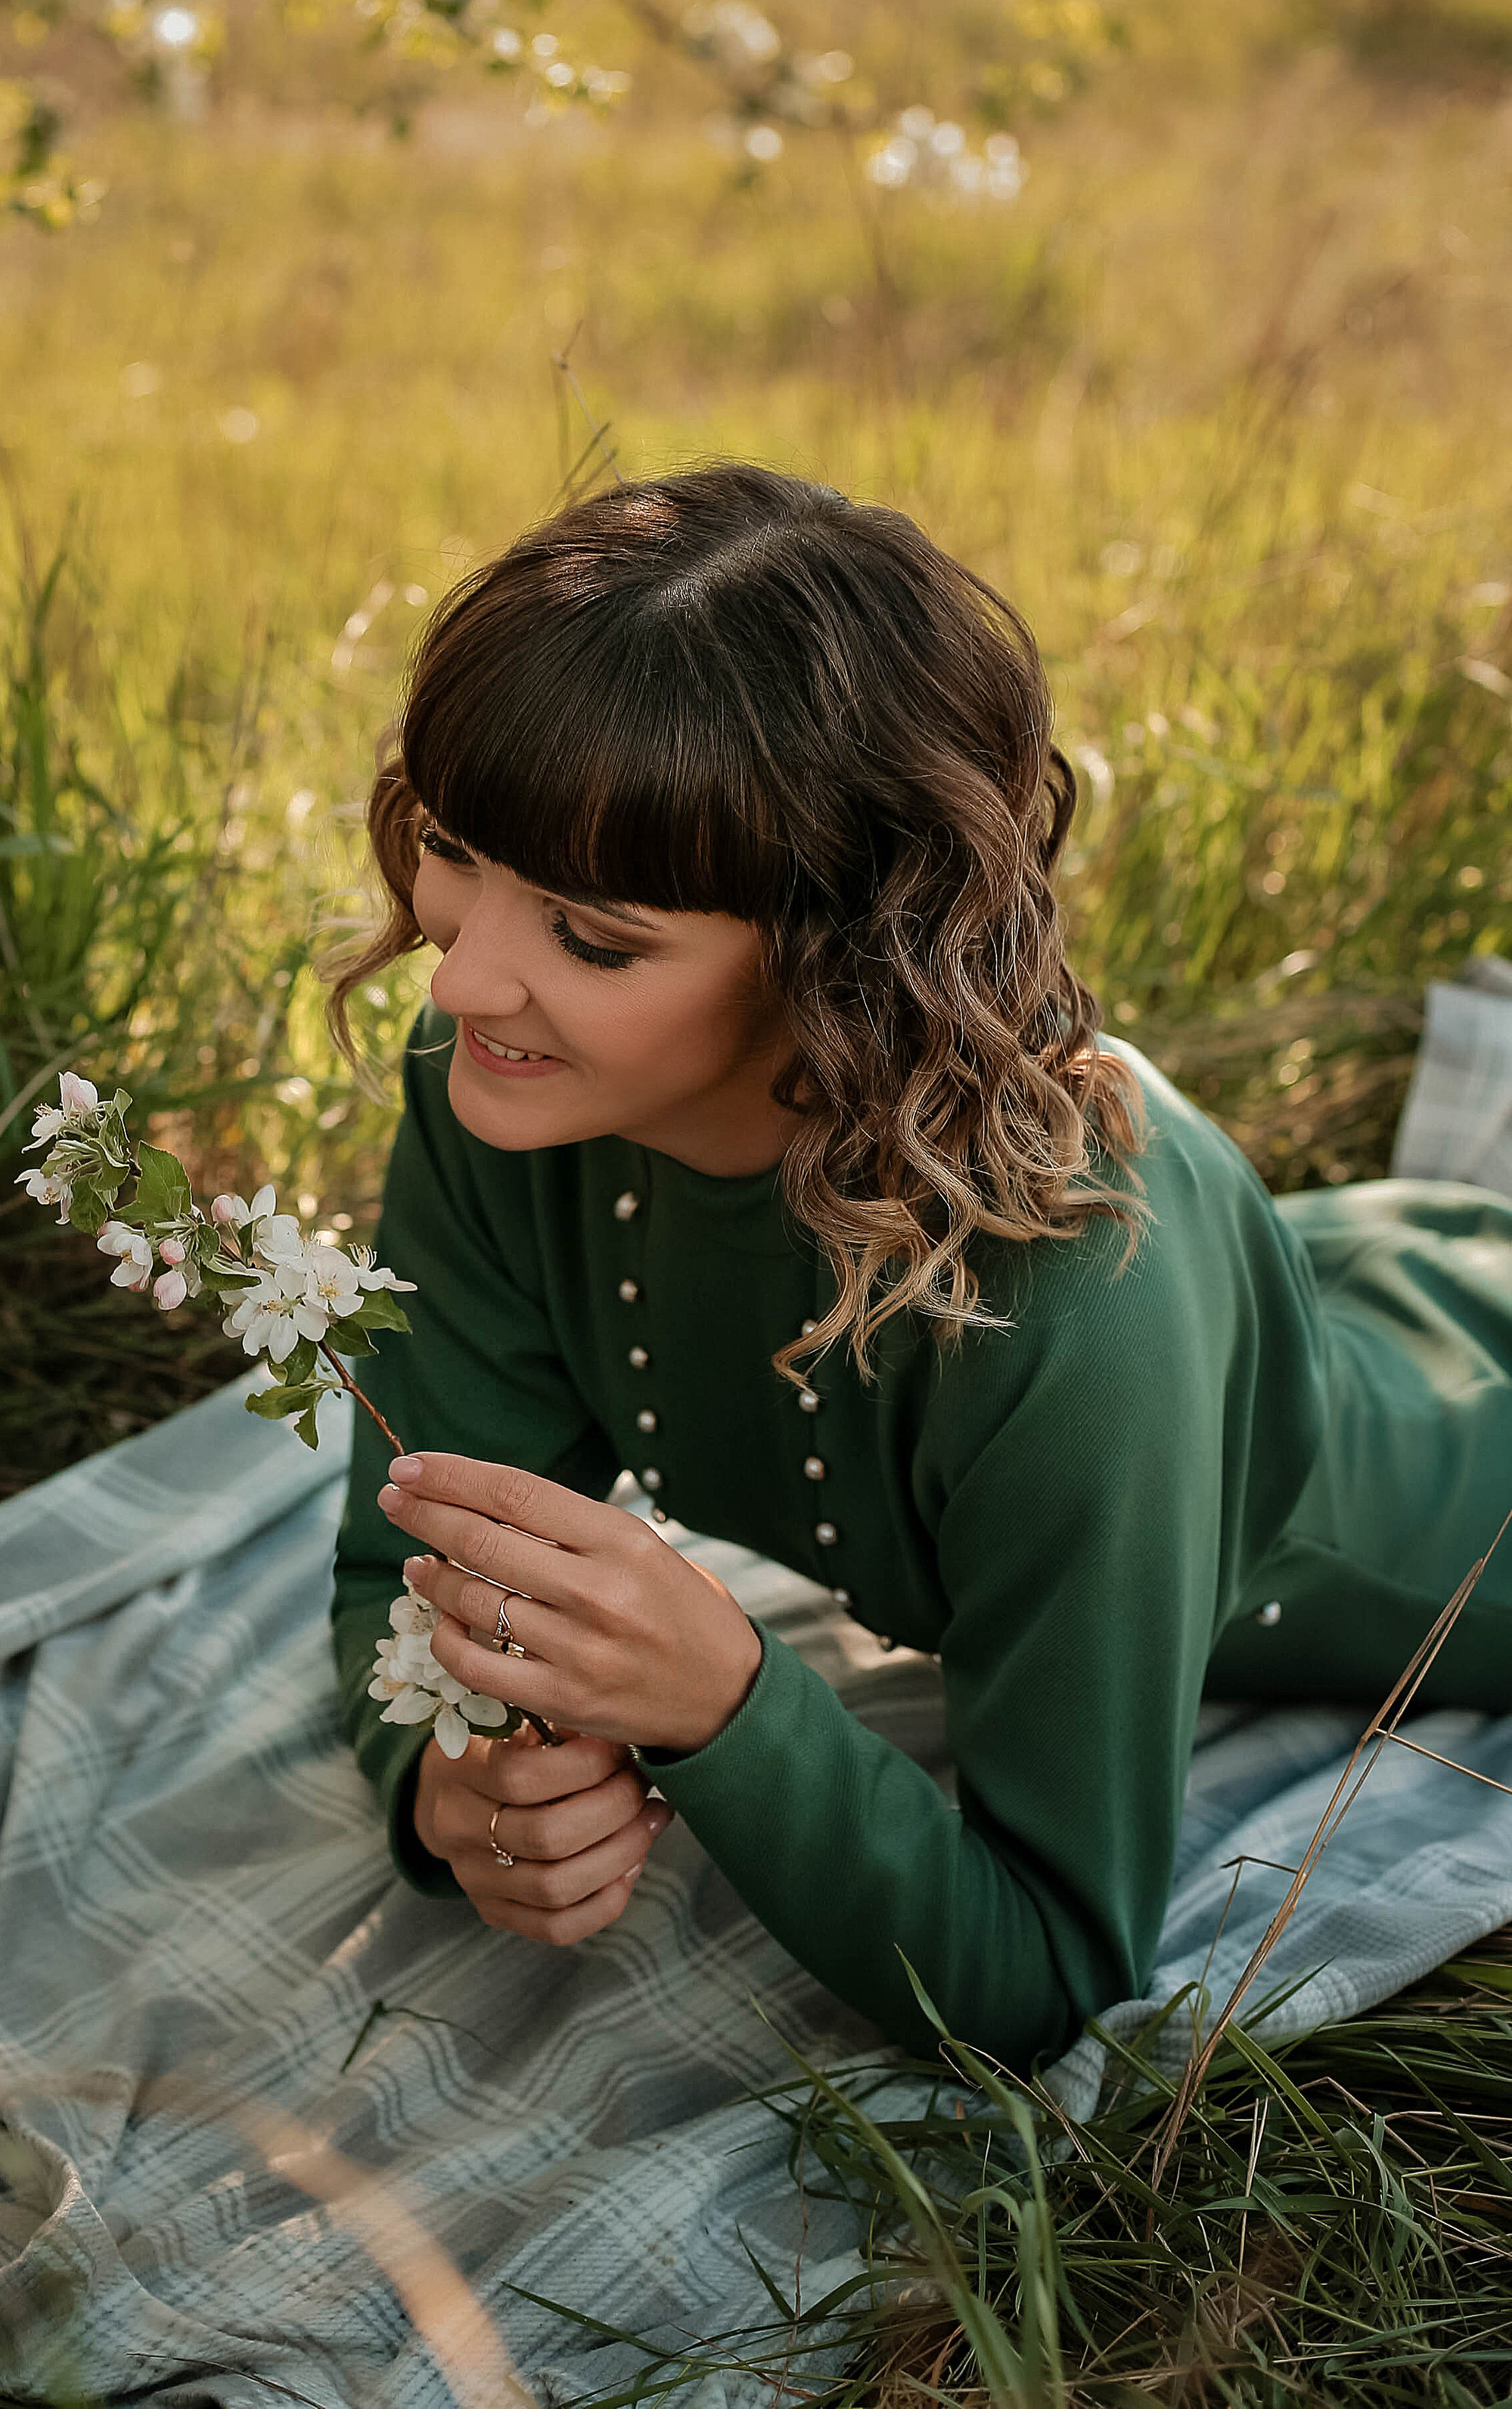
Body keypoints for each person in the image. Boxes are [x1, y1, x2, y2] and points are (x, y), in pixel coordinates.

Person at [324, 464, 1512, 2069]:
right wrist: (446, 1781)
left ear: (840, 956)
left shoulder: (1072, 1297)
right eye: (456, 851)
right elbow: (391, 1573)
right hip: (1349, 1293)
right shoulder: (501, 1101)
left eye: (590, 938)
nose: (460, 970)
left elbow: (1041, 1970)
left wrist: (728, 1711)